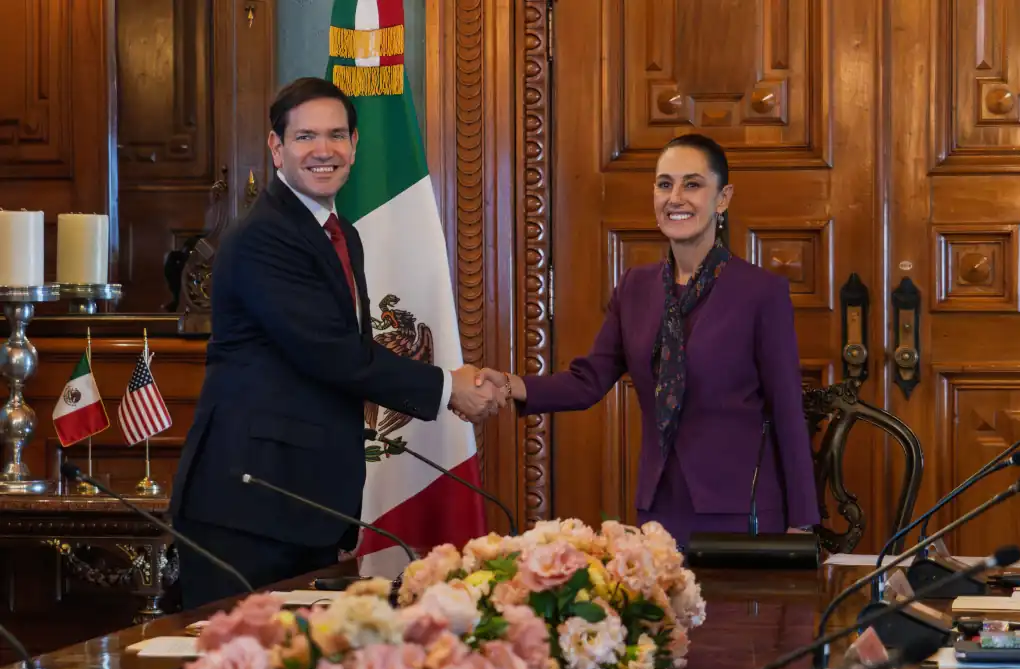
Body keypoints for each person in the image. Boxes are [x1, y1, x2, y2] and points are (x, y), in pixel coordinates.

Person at [169, 77, 502, 609]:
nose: (323, 150)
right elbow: (331, 352)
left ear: (354, 146)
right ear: (276, 147)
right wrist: (446, 388)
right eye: (305, 137)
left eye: (337, 135)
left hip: (306, 505)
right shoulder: (264, 237)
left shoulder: (340, 231)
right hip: (248, 508)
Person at [471, 134, 820, 548]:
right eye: (664, 184)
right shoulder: (636, 287)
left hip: (741, 507)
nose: (676, 197)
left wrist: (802, 522)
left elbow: (787, 410)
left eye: (692, 184)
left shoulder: (761, 292)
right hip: (659, 505)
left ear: (722, 198)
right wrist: (508, 385)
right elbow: (588, 379)